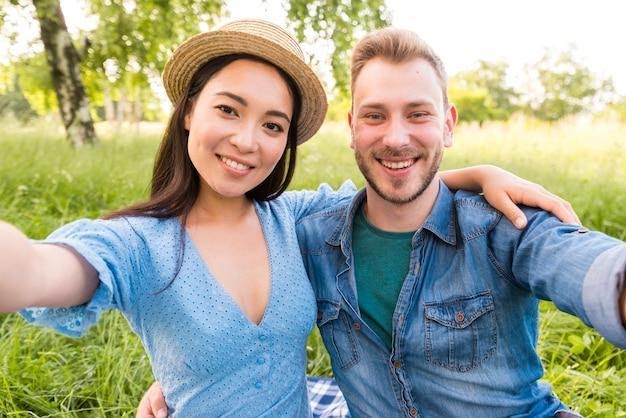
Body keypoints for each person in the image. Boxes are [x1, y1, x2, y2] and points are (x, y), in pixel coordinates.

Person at [0, 20, 577, 418]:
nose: (247, 141)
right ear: (187, 115)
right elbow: (34, 267)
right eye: (228, 109)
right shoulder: (137, 244)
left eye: (273, 125)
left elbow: (391, 186)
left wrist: (476, 173)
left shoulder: (295, 219)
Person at [138, 27, 626, 418]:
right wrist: (187, 370)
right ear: (352, 127)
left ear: (448, 124)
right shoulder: (308, 233)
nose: (396, 138)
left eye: (418, 114)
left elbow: (591, 267)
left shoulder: (504, 227)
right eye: (375, 116)